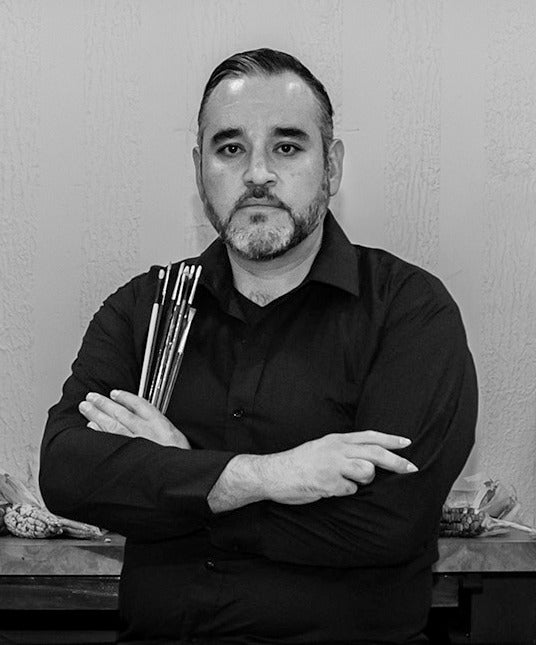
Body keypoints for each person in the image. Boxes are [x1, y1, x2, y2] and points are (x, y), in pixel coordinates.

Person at [40, 48, 477, 644]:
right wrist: (266, 476)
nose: (257, 174)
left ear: (332, 166)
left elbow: (389, 521)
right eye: (230, 149)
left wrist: (181, 479)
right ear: (200, 168)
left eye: (287, 147)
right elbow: (67, 470)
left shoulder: (409, 311)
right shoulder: (145, 309)